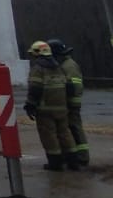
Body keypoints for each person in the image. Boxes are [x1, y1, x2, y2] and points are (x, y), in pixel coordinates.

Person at [24, 42, 79, 171]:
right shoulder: (59, 66)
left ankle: (55, 163)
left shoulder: (38, 68)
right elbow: (70, 87)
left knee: (49, 136)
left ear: (37, 53)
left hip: (45, 110)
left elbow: (35, 88)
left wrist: (30, 105)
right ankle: (73, 161)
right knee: (65, 134)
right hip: (62, 108)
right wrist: (69, 103)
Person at [48, 38, 89, 168]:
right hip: (67, 104)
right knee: (69, 130)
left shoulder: (69, 66)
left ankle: (82, 157)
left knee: (75, 129)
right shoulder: (64, 64)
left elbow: (74, 86)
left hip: (71, 104)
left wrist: (67, 100)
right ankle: (73, 156)